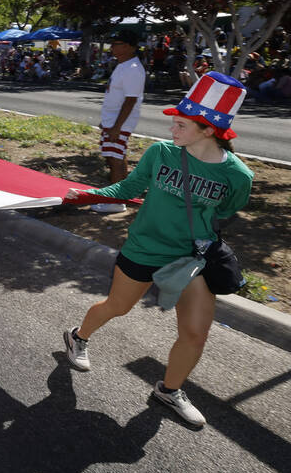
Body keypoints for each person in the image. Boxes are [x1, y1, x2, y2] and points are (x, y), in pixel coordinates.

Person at [61, 72, 253, 428]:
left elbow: (224, 213)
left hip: (190, 259)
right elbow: (130, 186)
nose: (172, 130)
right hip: (143, 249)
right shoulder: (161, 154)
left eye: (181, 125)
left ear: (209, 130)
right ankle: (78, 336)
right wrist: (88, 195)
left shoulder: (238, 176)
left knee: (195, 333)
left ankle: (169, 389)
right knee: (117, 307)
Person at [94, 29, 146, 214]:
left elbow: (131, 100)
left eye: (117, 44)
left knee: (116, 159)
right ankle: (121, 195)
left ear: (131, 47)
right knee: (114, 157)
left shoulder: (133, 68)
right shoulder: (123, 65)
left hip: (120, 124)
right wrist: (107, 122)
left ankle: (116, 201)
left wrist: (116, 126)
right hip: (113, 121)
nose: (113, 47)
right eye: (113, 44)